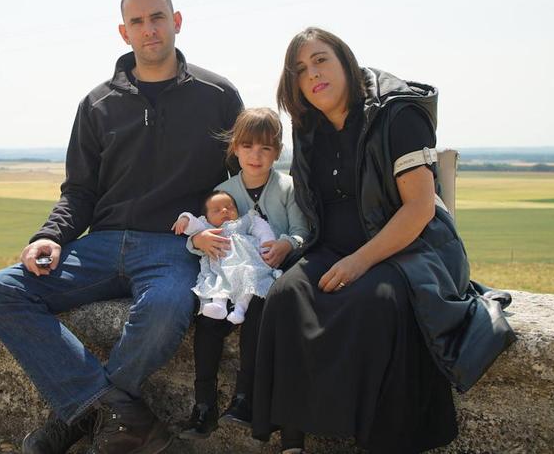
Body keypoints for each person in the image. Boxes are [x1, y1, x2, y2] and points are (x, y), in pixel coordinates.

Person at [0, 0, 243, 454]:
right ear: (124, 33)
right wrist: (52, 236)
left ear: (176, 22)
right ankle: (119, 415)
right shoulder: (98, 103)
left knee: (165, 309)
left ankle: (76, 418)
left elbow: (242, 182)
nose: (149, 29)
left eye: (158, 17)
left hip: (173, 246)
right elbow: (79, 191)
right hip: (100, 244)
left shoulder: (218, 96)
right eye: (137, 21)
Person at [251, 27, 515, 454]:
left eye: (321, 60)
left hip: (408, 248)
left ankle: (383, 441)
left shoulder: (396, 114)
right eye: (300, 70)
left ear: (346, 62)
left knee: (375, 303)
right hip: (331, 247)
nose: (312, 74)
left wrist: (359, 262)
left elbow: (419, 208)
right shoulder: (309, 126)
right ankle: (292, 439)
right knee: (285, 295)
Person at [176, 108, 309, 440]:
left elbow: (301, 231)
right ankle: (204, 405)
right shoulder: (223, 190)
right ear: (235, 148)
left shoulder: (289, 187)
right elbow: (203, 230)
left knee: (259, 314)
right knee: (207, 322)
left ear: (277, 152)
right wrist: (197, 238)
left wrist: (286, 244)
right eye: (248, 146)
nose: (256, 155)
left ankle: (244, 397)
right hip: (228, 276)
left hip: (269, 275)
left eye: (265, 148)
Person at [173, 190, 282, 324]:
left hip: (246, 263)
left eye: (230, 207)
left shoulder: (243, 222)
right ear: (206, 217)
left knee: (249, 278)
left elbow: (261, 228)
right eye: (216, 210)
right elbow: (193, 224)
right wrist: (185, 218)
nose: (224, 210)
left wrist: (266, 244)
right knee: (219, 280)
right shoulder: (208, 229)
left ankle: (240, 310)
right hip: (222, 268)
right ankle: (219, 306)